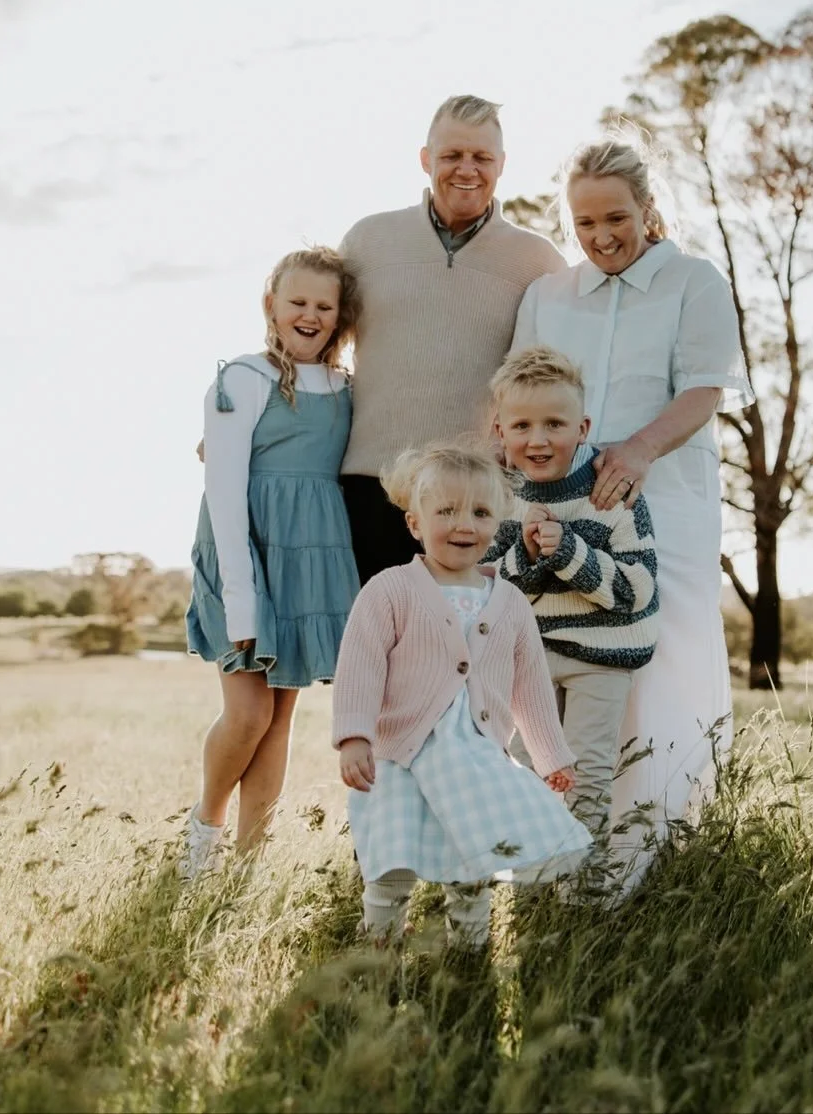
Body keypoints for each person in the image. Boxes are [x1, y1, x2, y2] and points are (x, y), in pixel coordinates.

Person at [511, 136, 753, 891]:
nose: (602, 236)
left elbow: (705, 390)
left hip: (666, 504)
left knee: (661, 659)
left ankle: (653, 851)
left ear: (648, 209)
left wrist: (639, 451)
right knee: (561, 660)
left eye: (616, 217)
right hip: (558, 510)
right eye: (584, 224)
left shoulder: (694, 282)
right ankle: (555, 855)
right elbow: (520, 390)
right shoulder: (548, 297)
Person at [332, 443, 592, 947]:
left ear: (499, 524)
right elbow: (360, 666)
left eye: (479, 512)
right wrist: (354, 738)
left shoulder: (510, 602)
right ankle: (378, 953)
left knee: (473, 868)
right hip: (399, 757)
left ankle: (469, 955)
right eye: (446, 511)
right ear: (414, 524)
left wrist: (550, 755)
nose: (463, 525)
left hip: (474, 758)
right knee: (391, 866)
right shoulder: (391, 590)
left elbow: (531, 686)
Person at [183, 247, 361, 879]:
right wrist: (241, 599)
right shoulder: (243, 378)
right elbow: (225, 494)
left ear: (340, 317)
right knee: (248, 712)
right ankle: (203, 829)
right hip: (247, 554)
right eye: (297, 302)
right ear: (272, 306)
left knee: (280, 717)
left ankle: (250, 859)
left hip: (308, 560)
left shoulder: (347, 388)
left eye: (324, 305)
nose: (309, 315)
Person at [338, 94, 565, 586]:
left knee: (458, 654)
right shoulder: (368, 242)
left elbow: (553, 380)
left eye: (482, 157)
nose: (467, 169)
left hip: (472, 497)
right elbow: (313, 346)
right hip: (366, 486)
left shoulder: (538, 262)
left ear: (502, 165)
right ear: (426, 160)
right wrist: (254, 419)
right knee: (362, 654)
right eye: (452, 156)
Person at [484, 347, 660, 840]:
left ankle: (582, 891)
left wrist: (570, 554)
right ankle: (532, 885)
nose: (537, 440)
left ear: (581, 428)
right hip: (527, 657)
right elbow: (488, 586)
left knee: (586, 775)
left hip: (601, 657)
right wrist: (528, 554)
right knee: (524, 770)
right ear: (500, 431)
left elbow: (634, 591)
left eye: (554, 425)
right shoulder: (500, 497)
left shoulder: (614, 492)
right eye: (521, 426)